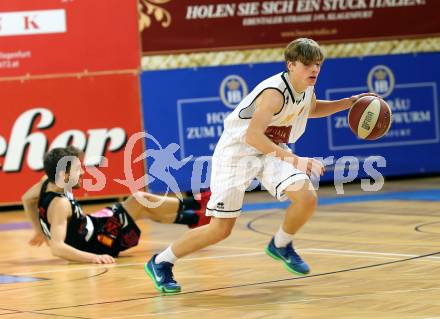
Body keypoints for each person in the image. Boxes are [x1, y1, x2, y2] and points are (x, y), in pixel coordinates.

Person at [145, 37, 376, 293]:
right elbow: (252, 136)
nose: (314, 70)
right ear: (291, 65)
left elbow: (310, 109)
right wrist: (296, 160)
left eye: (318, 64)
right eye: (308, 64)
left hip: (269, 151)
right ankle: (161, 261)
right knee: (220, 230)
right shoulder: (274, 93)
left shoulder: (306, 88)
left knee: (306, 197)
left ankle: (281, 244)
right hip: (238, 154)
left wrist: (349, 103)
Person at [22, 146, 211, 264]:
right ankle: (198, 201)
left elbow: (26, 199)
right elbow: (57, 248)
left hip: (92, 226)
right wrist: (93, 258)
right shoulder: (60, 204)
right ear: (64, 175)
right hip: (99, 242)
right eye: (78, 170)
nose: (83, 173)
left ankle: (194, 218)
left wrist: (39, 230)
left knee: (140, 207)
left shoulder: (46, 183)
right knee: (138, 201)